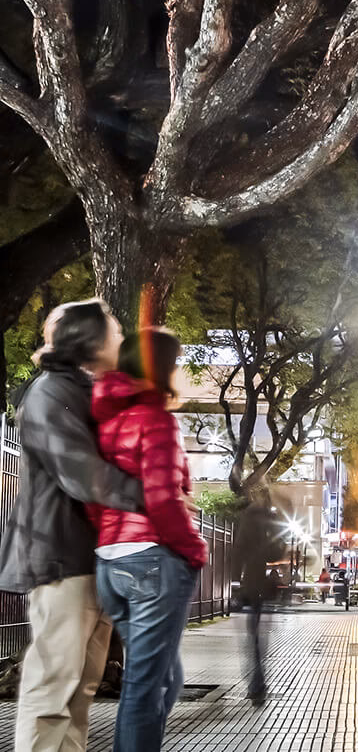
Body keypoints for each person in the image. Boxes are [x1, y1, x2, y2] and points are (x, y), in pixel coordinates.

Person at [0, 300, 145, 752]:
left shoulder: (81, 390)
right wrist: (152, 497)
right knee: (52, 689)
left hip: (88, 559)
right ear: (90, 340)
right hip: (61, 558)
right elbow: (81, 473)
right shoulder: (49, 394)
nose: (120, 339)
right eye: (114, 331)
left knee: (79, 690)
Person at [88, 327, 208, 752]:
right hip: (153, 560)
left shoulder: (106, 423)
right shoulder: (157, 420)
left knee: (164, 676)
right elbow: (160, 497)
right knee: (145, 685)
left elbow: (93, 495)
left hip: (110, 563)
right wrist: (194, 550)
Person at [231, 496, 286, 705]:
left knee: (253, 639)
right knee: (258, 641)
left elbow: (237, 555)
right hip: (262, 589)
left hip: (253, 588)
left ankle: (256, 684)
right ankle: (257, 684)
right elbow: (275, 551)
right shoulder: (265, 521)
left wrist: (236, 584)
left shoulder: (248, 520)